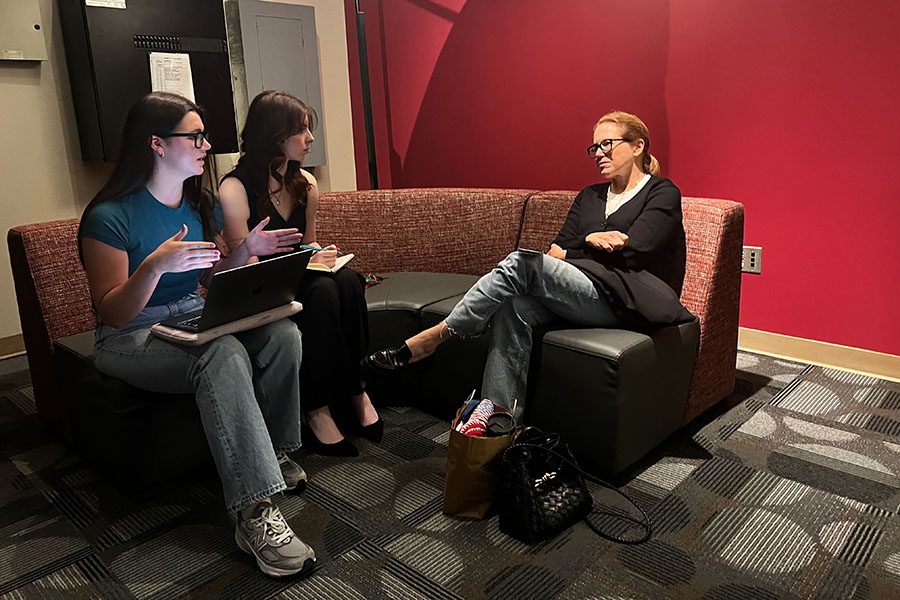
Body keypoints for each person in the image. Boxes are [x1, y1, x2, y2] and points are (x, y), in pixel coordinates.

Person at [79, 92, 316, 578]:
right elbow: (114, 313)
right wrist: (153, 267)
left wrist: (243, 251)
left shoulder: (198, 205)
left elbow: (208, 282)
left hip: (188, 315)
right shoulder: (109, 216)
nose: (206, 145)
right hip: (131, 337)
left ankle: (272, 451)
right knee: (224, 352)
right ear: (157, 144)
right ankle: (254, 512)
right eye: (195, 136)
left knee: (283, 335)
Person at [364, 111, 694, 419]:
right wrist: (590, 242)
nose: (597, 153)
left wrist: (581, 246)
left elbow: (638, 247)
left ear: (638, 146)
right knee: (514, 306)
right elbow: (556, 251)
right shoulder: (589, 196)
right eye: (594, 147)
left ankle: (435, 336)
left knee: (523, 262)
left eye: (607, 144)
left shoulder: (662, 192)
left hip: (626, 300)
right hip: (583, 292)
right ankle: (499, 417)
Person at [219, 90, 380, 457]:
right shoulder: (235, 188)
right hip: (263, 285)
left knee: (349, 281)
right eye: (301, 131)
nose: (310, 140)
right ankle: (317, 409)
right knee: (323, 291)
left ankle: (356, 390)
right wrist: (307, 265)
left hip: (302, 276)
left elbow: (307, 243)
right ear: (274, 135)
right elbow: (248, 263)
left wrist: (319, 255)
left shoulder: (305, 183)